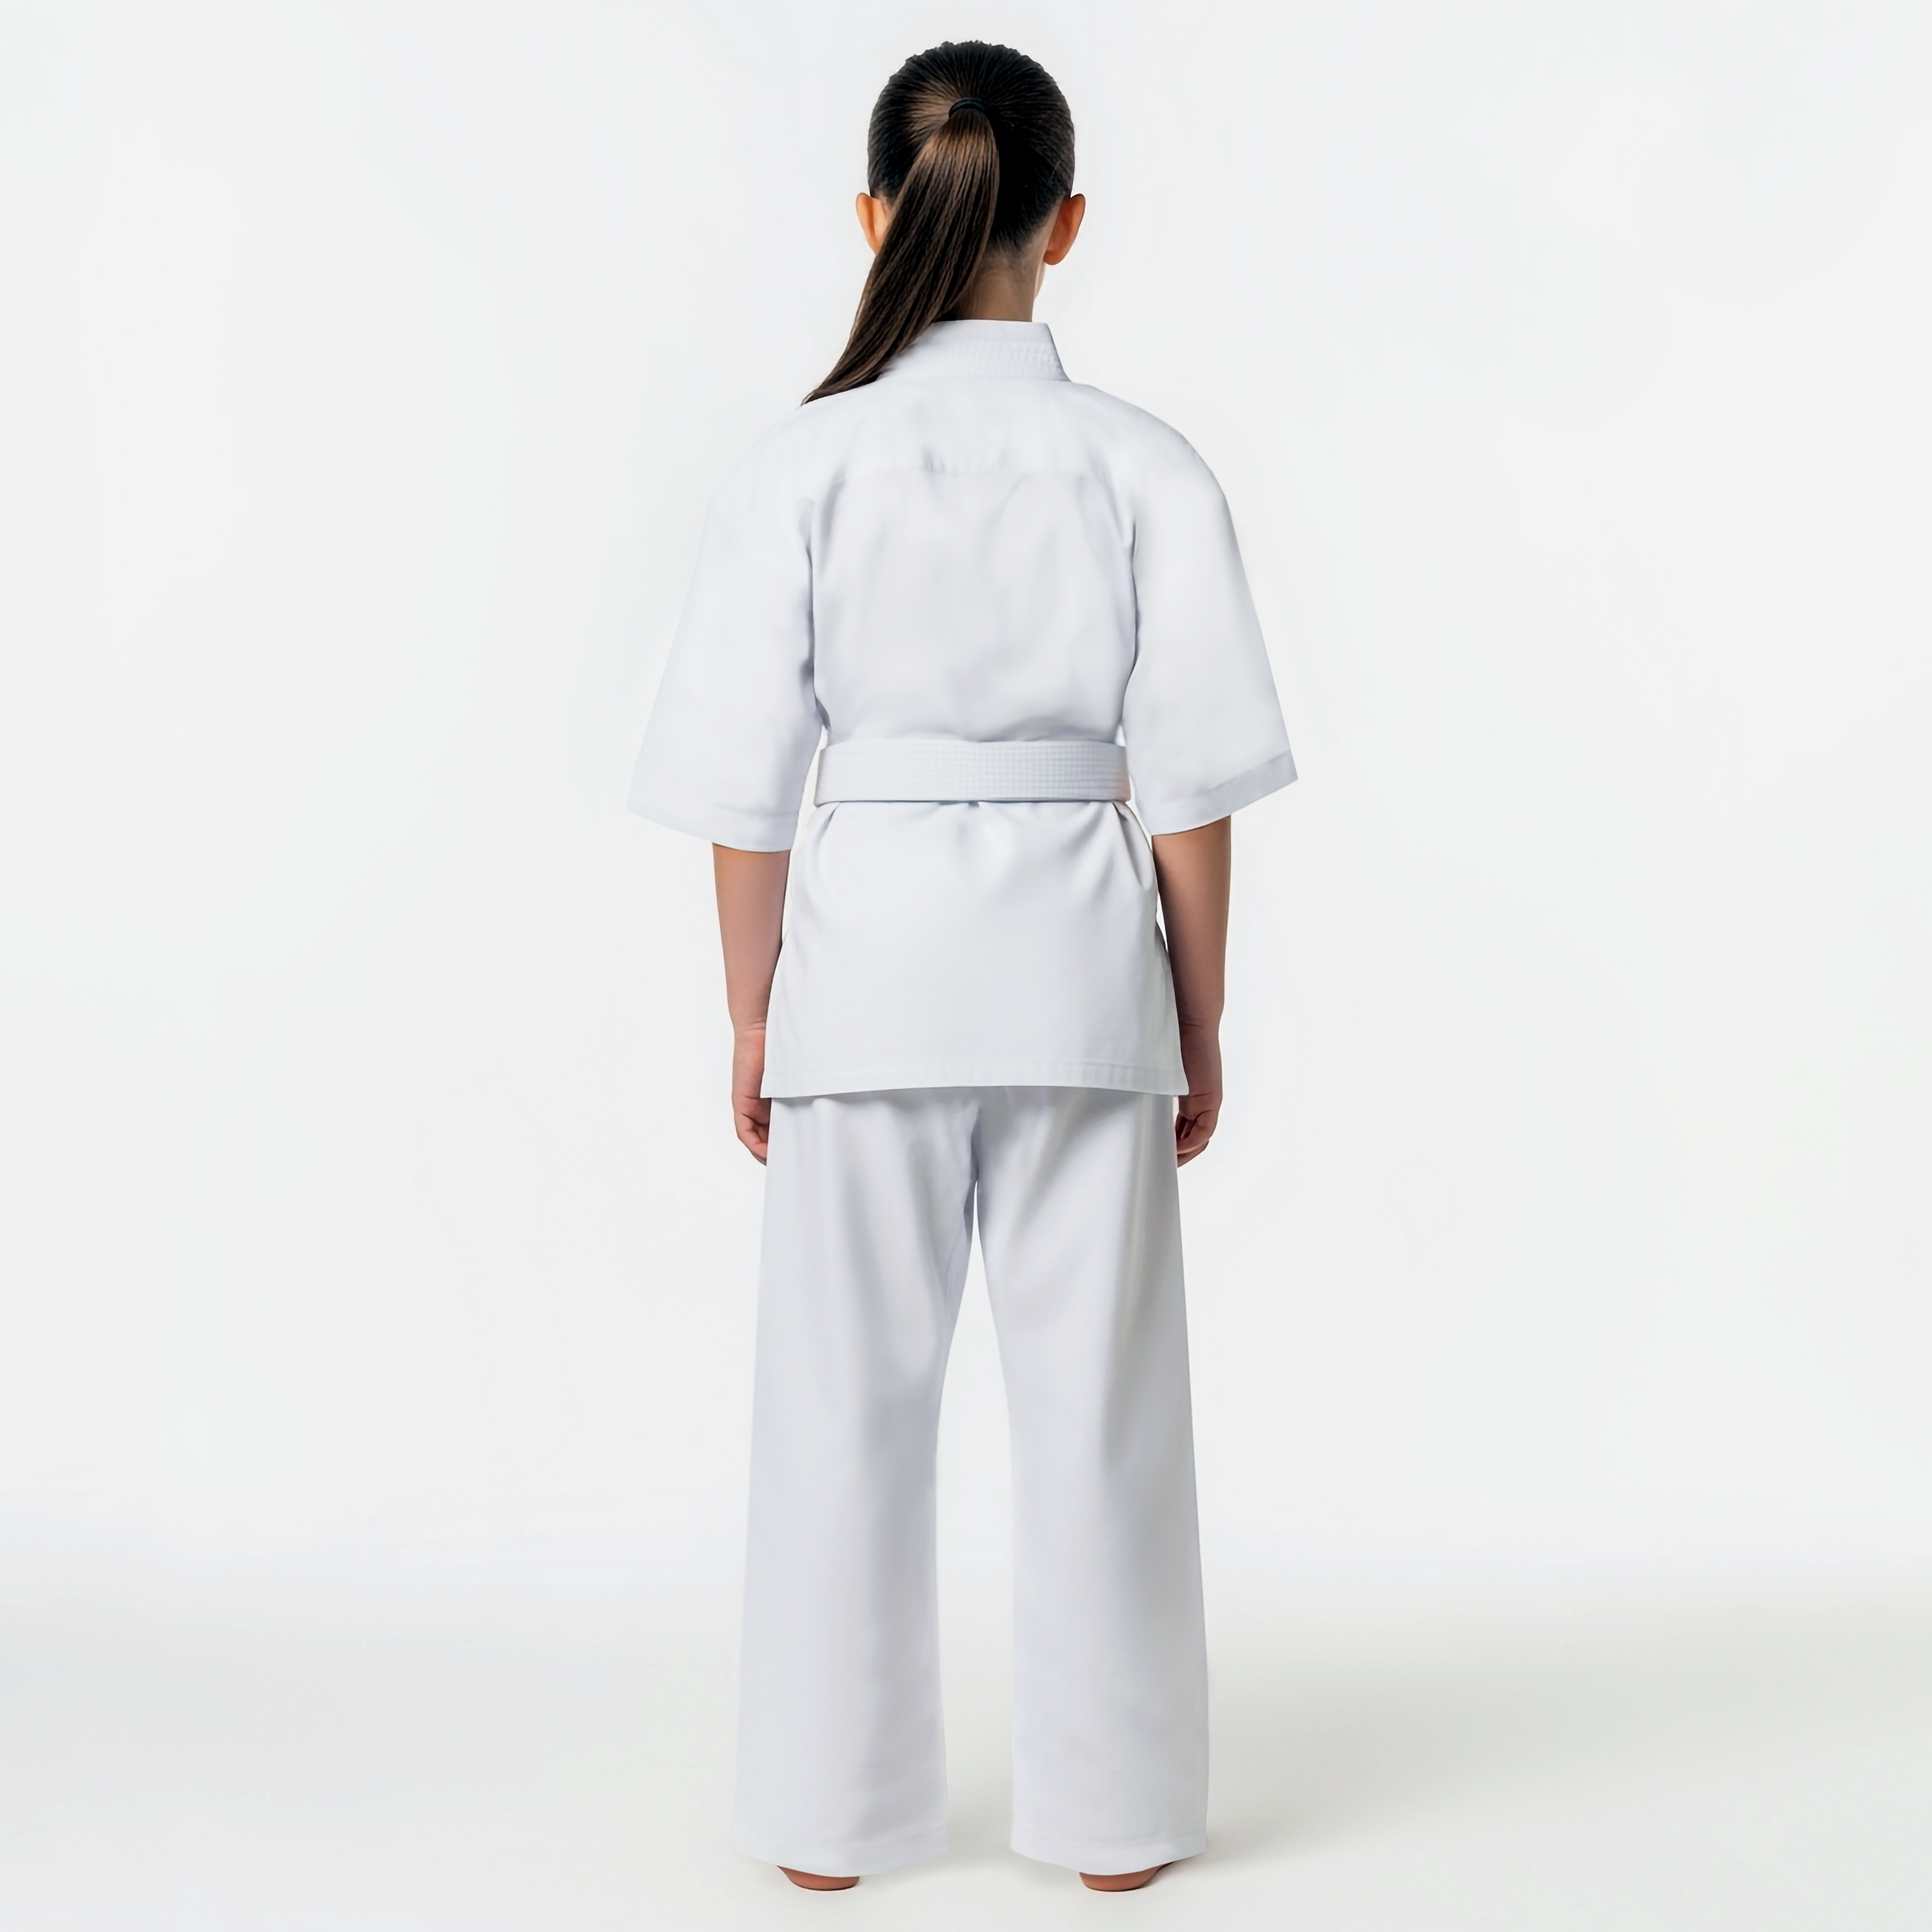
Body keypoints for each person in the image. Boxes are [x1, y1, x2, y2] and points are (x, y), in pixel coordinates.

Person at [629, 38, 1294, 1894]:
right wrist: (1196, 1011)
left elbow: (744, 797)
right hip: (1081, 974)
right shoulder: (1143, 467)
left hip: (862, 982)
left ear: (874, 217)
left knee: (838, 1413)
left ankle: (825, 1823)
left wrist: (753, 1010)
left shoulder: (801, 466)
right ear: (1062, 225)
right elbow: (1187, 791)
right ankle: (1118, 1821)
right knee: (1101, 1420)